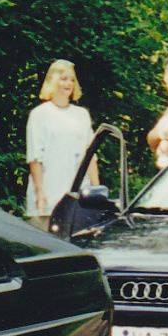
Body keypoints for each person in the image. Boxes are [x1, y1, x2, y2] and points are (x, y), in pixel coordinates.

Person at [26, 60, 98, 228]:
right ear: (53, 81)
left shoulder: (82, 115)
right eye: (64, 79)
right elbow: (35, 157)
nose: (69, 83)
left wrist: (96, 191)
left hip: (77, 201)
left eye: (72, 80)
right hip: (47, 199)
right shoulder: (40, 114)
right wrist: (40, 193)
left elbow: (90, 156)